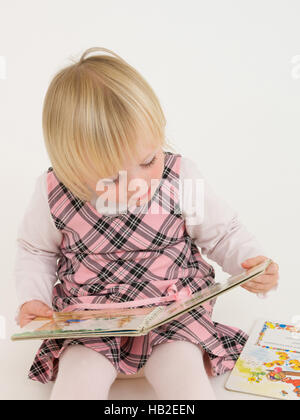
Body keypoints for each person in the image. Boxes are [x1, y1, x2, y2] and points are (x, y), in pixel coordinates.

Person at [14, 47, 279, 400]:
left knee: (183, 370)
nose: (137, 184)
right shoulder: (54, 192)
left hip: (172, 310)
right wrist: (33, 297)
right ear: (70, 170)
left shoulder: (180, 179)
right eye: (112, 180)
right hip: (92, 318)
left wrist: (251, 261)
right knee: (78, 379)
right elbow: (36, 250)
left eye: (148, 160)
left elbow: (223, 233)